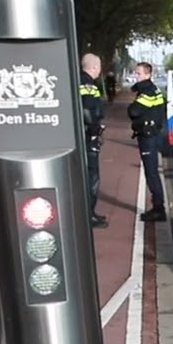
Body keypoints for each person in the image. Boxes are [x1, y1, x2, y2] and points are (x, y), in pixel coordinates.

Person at [127, 62, 168, 222]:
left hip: (148, 136)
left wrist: (133, 104)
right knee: (152, 172)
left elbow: (133, 111)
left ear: (148, 75)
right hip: (153, 133)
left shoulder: (148, 92)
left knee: (151, 173)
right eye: (136, 73)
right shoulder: (153, 90)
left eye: (139, 73)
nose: (136, 76)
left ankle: (159, 208)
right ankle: (158, 206)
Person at [79, 53, 108, 228]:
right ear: (94, 67)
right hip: (88, 136)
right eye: (99, 67)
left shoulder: (77, 80)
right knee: (92, 176)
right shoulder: (89, 85)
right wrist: (95, 130)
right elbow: (88, 110)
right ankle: (89, 215)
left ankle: (89, 213)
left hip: (81, 134)